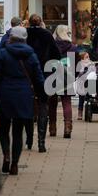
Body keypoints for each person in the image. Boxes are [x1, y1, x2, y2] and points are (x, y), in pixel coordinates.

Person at [0, 27, 46, 175]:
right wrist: (43, 95)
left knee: (4, 129)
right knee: (18, 132)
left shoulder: (2, 54)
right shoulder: (31, 55)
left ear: (10, 38)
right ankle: (14, 164)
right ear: (25, 39)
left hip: (5, 94)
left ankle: (6, 155)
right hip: (24, 95)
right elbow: (38, 78)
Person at [27, 14, 61, 152]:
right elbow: (57, 55)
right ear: (41, 22)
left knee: (28, 106)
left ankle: (29, 140)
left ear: (29, 23)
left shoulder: (25, 35)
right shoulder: (47, 35)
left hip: (27, 75)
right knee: (43, 106)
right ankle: (41, 142)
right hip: (44, 75)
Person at [48, 25, 78, 139]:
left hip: (52, 76)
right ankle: (67, 128)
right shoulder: (73, 48)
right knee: (66, 102)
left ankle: (52, 128)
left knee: (52, 103)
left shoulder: (51, 46)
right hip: (67, 77)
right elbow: (77, 65)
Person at [75, 51, 95, 120]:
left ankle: (90, 111)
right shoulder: (80, 64)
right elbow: (79, 74)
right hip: (82, 83)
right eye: (86, 57)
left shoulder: (91, 64)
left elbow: (94, 72)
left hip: (90, 82)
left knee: (91, 97)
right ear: (82, 59)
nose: (88, 58)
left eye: (88, 57)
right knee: (81, 98)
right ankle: (80, 113)